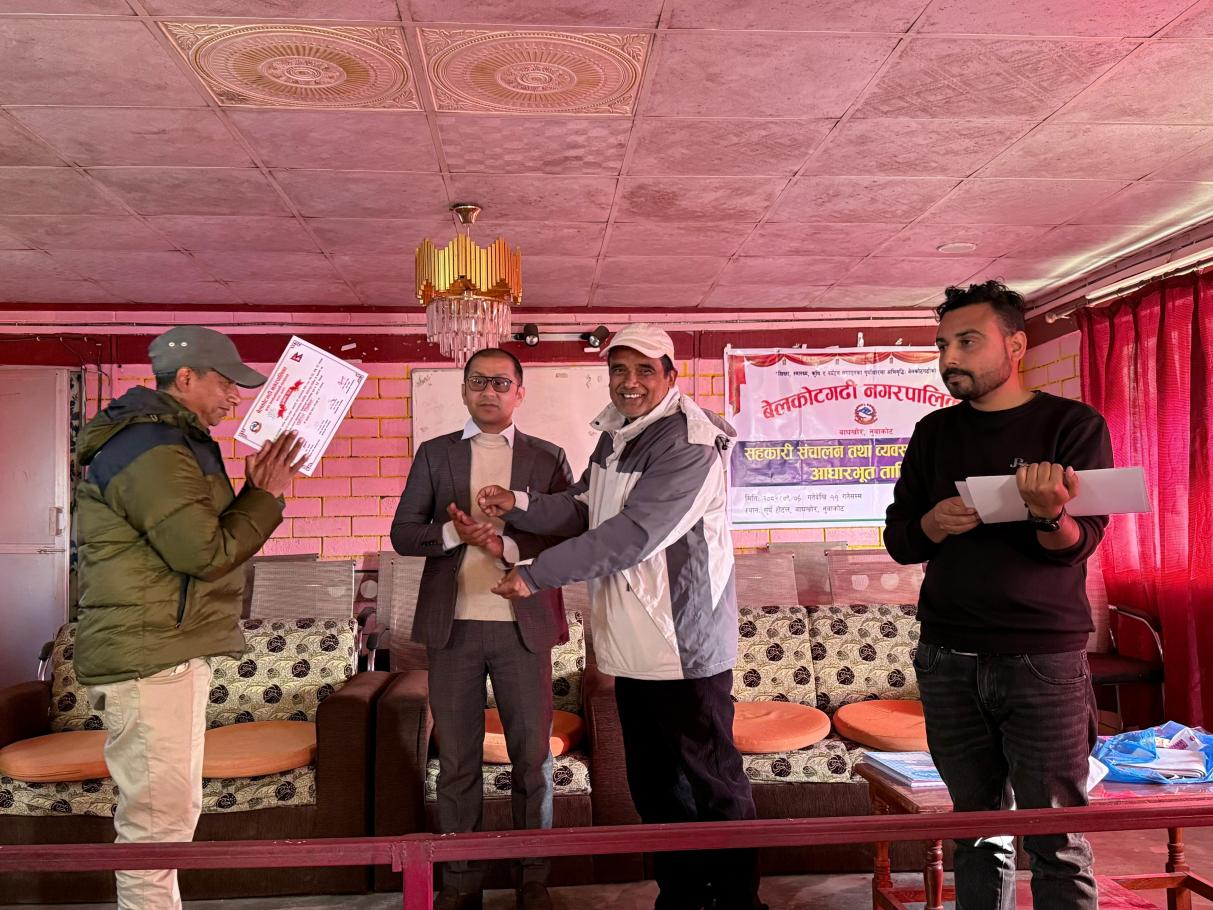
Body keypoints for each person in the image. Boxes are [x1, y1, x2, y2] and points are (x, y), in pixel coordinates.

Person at [480, 325, 765, 910]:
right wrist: (521, 505)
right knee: (655, 787)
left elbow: (634, 534)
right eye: (618, 370)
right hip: (632, 646)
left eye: (644, 371)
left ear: (671, 377)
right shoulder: (617, 434)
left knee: (712, 783)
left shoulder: (689, 442)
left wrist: (534, 574)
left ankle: (739, 902)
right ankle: (682, 898)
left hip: (682, 646)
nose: (629, 382)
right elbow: (585, 505)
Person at [884, 280, 1114, 910]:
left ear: (1015, 345)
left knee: (1056, 840)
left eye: (967, 341)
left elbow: (1076, 546)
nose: (949, 357)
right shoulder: (933, 432)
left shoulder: (1072, 425)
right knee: (977, 833)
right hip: (946, 658)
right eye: (942, 345)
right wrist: (933, 524)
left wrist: (1049, 513)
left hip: (1043, 660)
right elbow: (900, 540)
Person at [74, 325, 304, 910]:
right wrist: (267, 495)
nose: (235, 398)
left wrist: (259, 491)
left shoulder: (172, 442)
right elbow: (203, 554)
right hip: (152, 654)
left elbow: (201, 539)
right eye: (226, 383)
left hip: (163, 648)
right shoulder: (150, 449)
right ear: (185, 378)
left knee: (169, 818)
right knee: (156, 826)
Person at [391, 348, 573, 910]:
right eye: (477, 382)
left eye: (500, 382)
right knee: (458, 762)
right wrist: (454, 536)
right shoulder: (435, 454)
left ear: (520, 392)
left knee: (532, 761)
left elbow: (568, 531)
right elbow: (404, 533)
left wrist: (505, 546)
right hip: (454, 630)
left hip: (524, 630)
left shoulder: (547, 457)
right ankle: (460, 883)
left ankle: (532, 880)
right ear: (465, 390)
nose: (488, 391)